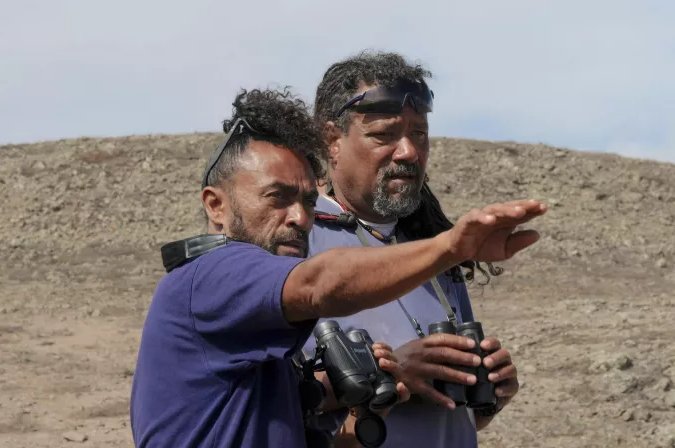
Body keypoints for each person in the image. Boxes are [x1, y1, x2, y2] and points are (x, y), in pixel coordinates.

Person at [129, 86, 546, 448]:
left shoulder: (258, 334)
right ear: (215, 206)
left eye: (308, 202)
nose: (300, 218)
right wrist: (450, 247)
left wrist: (375, 399)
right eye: (278, 197)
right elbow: (320, 283)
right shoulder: (210, 275)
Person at [301, 49, 526, 447]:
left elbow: (451, 419)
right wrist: (392, 372)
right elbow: (270, 397)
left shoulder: (432, 249)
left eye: (419, 134)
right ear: (332, 140)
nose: (408, 152)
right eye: (385, 134)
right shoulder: (295, 239)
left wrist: (487, 392)